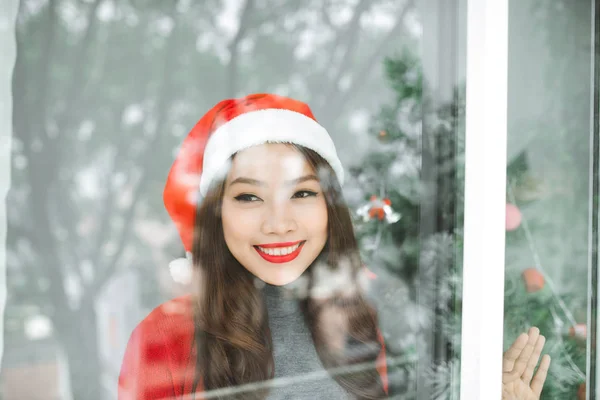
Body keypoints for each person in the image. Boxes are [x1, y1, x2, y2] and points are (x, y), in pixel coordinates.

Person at [117, 93, 551, 400]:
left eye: (302, 193)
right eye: (248, 196)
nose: (278, 222)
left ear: (330, 206)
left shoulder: (358, 320)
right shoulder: (164, 341)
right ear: (216, 214)